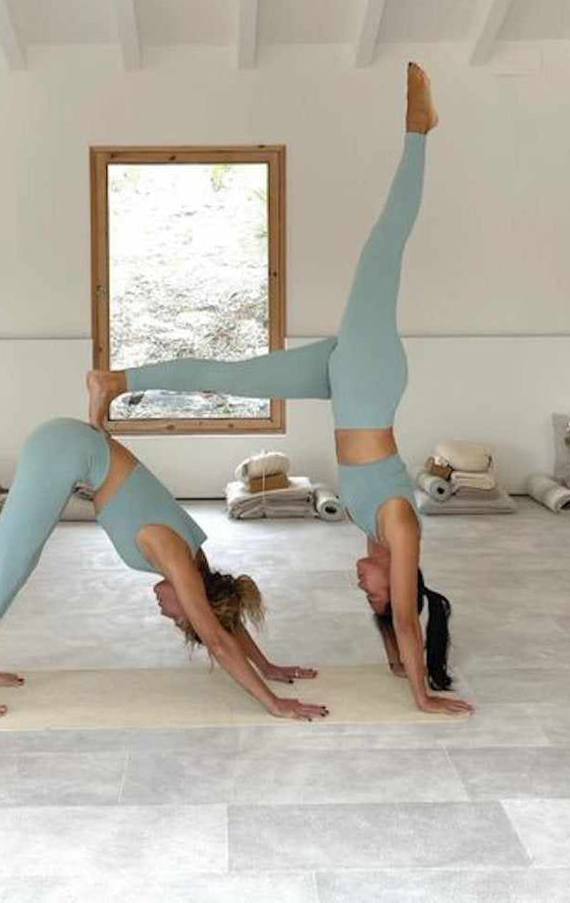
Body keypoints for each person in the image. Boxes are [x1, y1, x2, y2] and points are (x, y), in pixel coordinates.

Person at [87, 62, 472, 716]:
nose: (362, 584)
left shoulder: (376, 538)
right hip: (370, 376)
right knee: (383, 247)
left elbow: (396, 621)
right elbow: (409, 618)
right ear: (401, 579)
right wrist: (422, 693)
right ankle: (418, 131)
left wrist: (389, 651)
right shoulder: (402, 529)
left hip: (345, 386)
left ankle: (117, 381)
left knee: (233, 378)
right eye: (373, 591)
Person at [0, 417, 327, 722]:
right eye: (179, 618)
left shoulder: (198, 563)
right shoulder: (178, 560)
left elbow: (224, 620)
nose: (166, 615)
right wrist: (274, 703)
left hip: (70, 445)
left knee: (18, 565)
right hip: (63, 449)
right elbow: (218, 639)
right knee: (6, 569)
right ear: (195, 600)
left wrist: (266, 665)